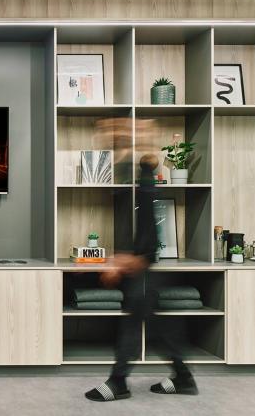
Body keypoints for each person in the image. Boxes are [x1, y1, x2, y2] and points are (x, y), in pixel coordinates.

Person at [84, 153, 198, 402]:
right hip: (139, 266)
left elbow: (148, 235)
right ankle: (182, 377)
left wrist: (130, 260)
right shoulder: (132, 190)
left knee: (135, 324)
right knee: (152, 324)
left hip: (142, 267)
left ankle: (119, 381)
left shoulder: (143, 189)